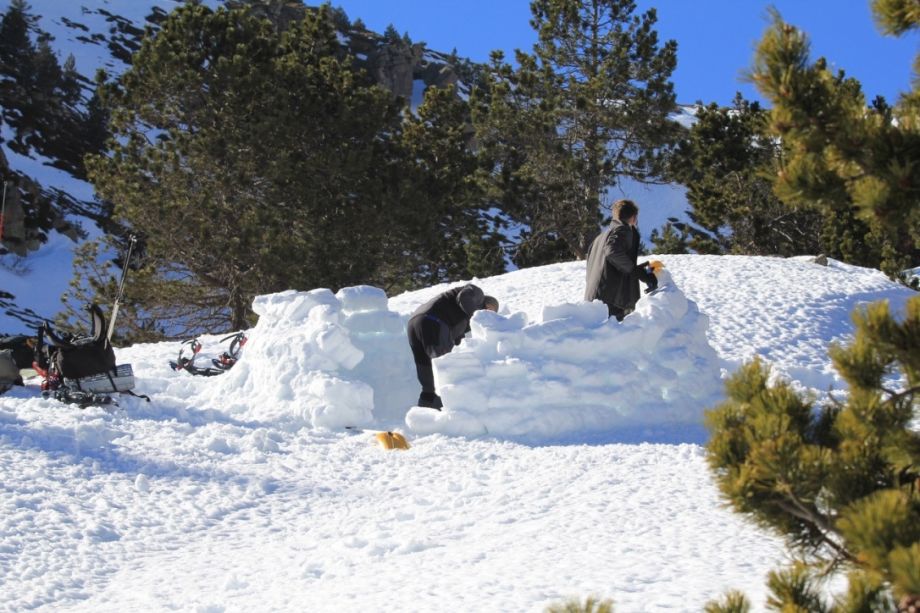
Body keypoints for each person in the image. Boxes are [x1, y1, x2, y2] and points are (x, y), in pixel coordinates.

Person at [406, 284, 499, 410]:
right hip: (434, 320)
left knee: (427, 375)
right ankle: (450, 412)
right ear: (486, 302)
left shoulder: (462, 321)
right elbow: (464, 296)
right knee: (447, 368)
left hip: (415, 324)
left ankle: (424, 415)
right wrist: (477, 317)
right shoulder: (476, 293)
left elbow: (457, 345)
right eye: (490, 310)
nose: (488, 316)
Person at [584, 199, 658, 321]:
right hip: (610, 301)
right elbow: (612, 252)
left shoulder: (599, 238)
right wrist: (637, 272)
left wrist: (641, 271)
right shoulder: (623, 230)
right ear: (633, 217)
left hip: (592, 300)